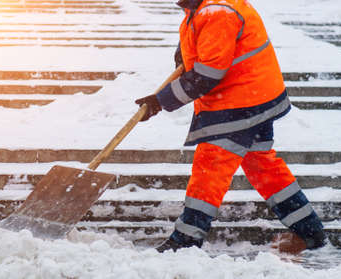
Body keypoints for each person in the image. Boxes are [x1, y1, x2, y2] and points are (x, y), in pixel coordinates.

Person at [135, 0, 326, 253]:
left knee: (210, 168)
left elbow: (208, 74)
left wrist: (162, 101)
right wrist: (186, 50)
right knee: (262, 166)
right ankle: (309, 231)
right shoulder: (204, 8)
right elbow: (209, 50)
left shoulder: (218, 12)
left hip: (240, 102)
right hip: (252, 97)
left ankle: (185, 241)